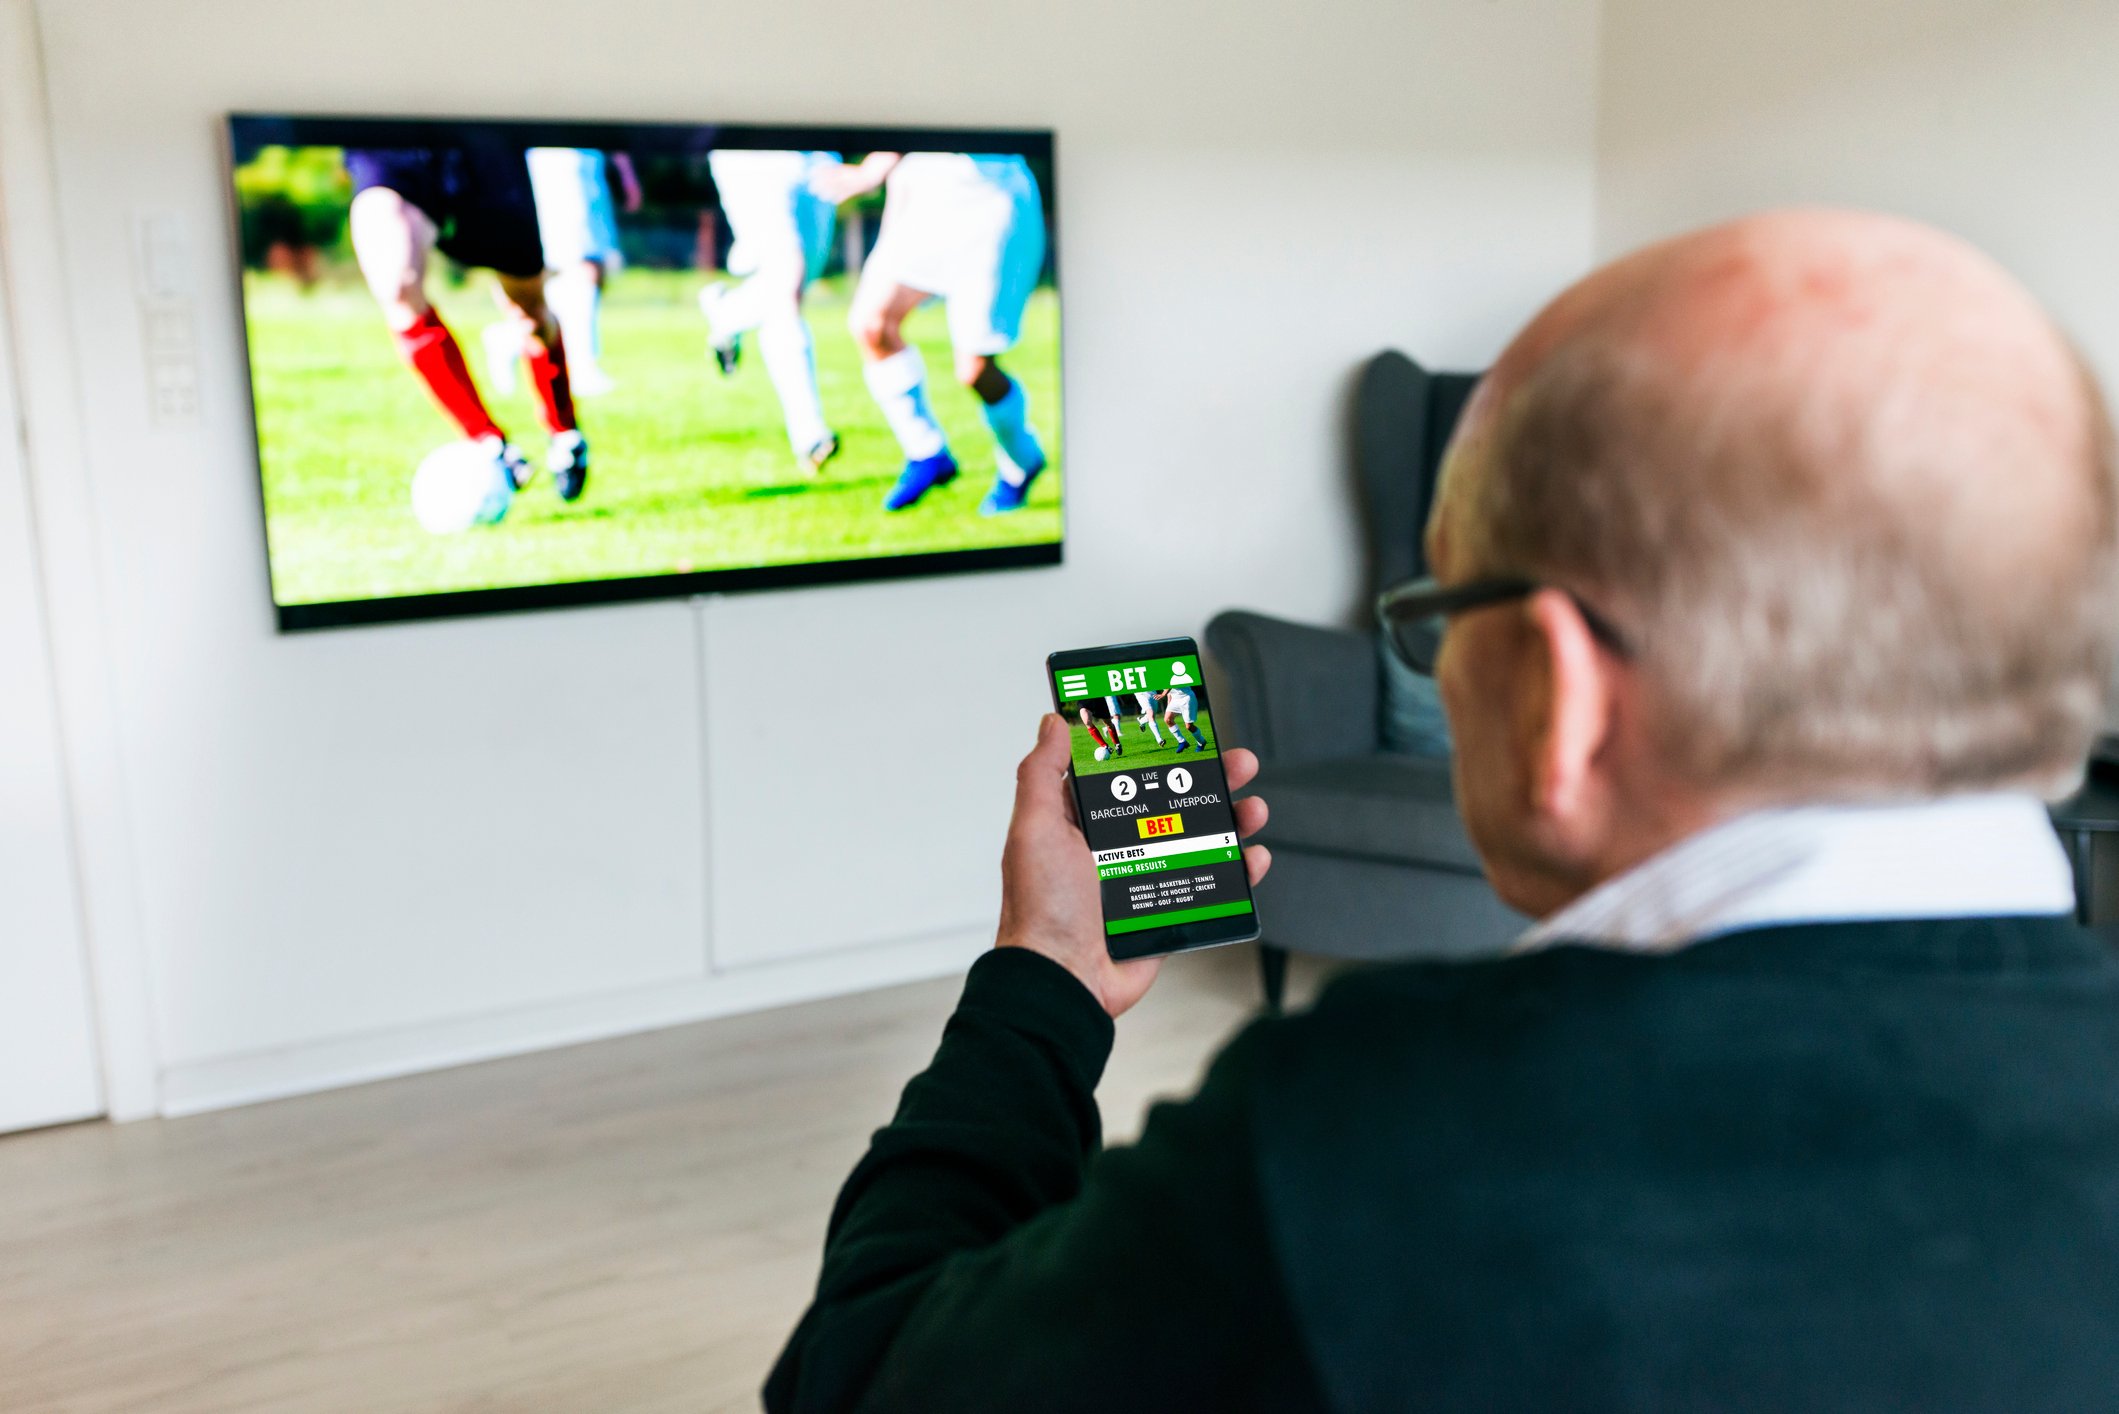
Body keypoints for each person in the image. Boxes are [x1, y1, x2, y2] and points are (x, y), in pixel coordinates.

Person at [763, 208, 2119, 1412]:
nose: (1434, 666)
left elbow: (858, 1378)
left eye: (1433, 618)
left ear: (1561, 689)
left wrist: (1040, 981)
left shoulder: (1362, 1146)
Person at [345, 141, 588, 507]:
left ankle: (564, 431)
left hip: (477, 147)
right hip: (386, 144)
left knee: (530, 314)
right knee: (396, 287)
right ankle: (491, 445)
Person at [819, 152, 1050, 514]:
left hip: (989, 199)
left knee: (974, 371)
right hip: (927, 191)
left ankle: (1022, 460)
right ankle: (926, 451)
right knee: (870, 324)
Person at [698, 148, 843, 473]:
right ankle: (810, 434)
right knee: (788, 278)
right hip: (754, 155)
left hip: (815, 152)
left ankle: (727, 312)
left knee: (801, 279)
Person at [488, 146, 639, 399]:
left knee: (587, 269)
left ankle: (510, 338)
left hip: (587, 158)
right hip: (560, 157)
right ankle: (581, 367)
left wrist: (623, 166)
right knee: (583, 266)